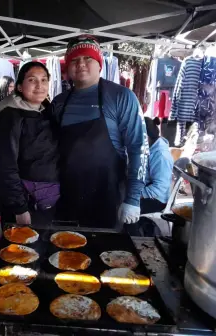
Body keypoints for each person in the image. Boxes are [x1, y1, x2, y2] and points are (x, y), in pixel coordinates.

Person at [51, 35, 149, 229]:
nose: (81, 64)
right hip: (66, 198)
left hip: (107, 198)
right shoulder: (58, 103)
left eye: (87, 58)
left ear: (99, 63)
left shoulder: (121, 97)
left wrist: (133, 198)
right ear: (68, 66)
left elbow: (139, 148)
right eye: (75, 60)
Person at [0, 62, 59, 226]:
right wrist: (20, 209)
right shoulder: (9, 117)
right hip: (25, 204)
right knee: (24, 249)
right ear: (20, 87)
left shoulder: (47, 112)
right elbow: (5, 165)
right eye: (32, 80)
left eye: (44, 80)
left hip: (48, 201)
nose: (39, 86)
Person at [141, 117, 174, 214]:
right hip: (147, 191)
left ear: (145, 136)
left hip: (157, 201)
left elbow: (159, 188)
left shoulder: (160, 155)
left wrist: (134, 195)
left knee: (122, 208)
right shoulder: (150, 148)